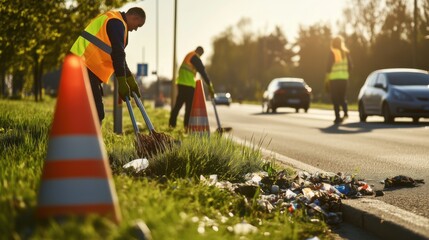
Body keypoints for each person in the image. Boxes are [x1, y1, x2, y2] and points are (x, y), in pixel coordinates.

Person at [70, 7, 146, 124]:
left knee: (90, 111)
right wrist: (121, 82)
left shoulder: (116, 21)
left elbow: (119, 57)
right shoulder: (116, 23)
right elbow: (118, 54)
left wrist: (130, 80)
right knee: (96, 113)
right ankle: (86, 141)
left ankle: (75, 137)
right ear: (134, 17)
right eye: (138, 25)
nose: (136, 29)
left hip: (84, 66)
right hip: (83, 65)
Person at [169, 46, 215, 129]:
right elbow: (202, 71)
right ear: (199, 52)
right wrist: (209, 84)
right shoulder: (195, 57)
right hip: (188, 85)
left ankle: (172, 125)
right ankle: (186, 127)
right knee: (188, 107)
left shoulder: (189, 55)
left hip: (182, 83)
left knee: (178, 105)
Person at [325, 36, 352, 124]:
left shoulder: (333, 52)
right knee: (342, 97)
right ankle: (345, 112)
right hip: (344, 79)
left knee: (335, 98)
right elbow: (350, 66)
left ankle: (337, 118)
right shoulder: (346, 53)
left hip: (334, 79)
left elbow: (329, 66)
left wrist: (327, 78)